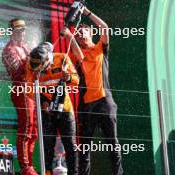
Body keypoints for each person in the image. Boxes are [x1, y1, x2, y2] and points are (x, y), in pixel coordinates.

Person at [62, 6, 124, 175]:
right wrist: (68, 34)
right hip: (86, 106)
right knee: (84, 149)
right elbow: (74, 46)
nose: (81, 35)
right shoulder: (77, 55)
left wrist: (86, 12)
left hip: (105, 102)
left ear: (91, 33)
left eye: (83, 32)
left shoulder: (100, 48)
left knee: (113, 144)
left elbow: (105, 27)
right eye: (78, 33)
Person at [25, 42, 79, 175]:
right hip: (46, 110)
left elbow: (77, 80)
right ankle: (47, 172)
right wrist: (43, 102)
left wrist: (68, 77)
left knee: (70, 145)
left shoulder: (62, 58)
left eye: (39, 67)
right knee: (47, 145)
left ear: (48, 59)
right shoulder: (31, 64)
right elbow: (28, 89)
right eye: (34, 68)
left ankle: (74, 173)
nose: (36, 70)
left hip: (64, 108)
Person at [2, 18, 38, 175]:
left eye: (23, 30)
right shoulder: (8, 50)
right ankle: (25, 167)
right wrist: (33, 59)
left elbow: (35, 67)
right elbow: (18, 71)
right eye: (19, 30)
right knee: (26, 127)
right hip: (20, 90)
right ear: (12, 32)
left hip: (31, 91)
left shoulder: (25, 46)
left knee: (34, 130)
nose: (23, 33)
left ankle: (30, 165)